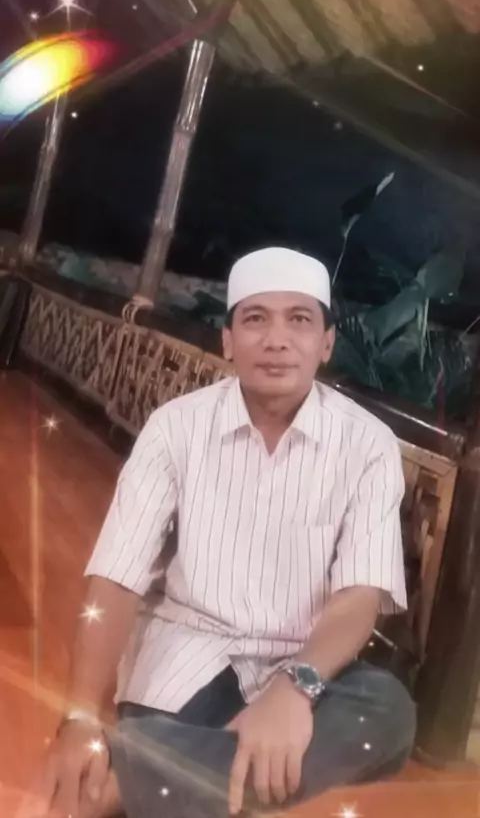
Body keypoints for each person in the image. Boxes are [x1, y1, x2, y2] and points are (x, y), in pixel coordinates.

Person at [31, 247, 415, 818]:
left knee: (387, 710)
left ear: (327, 343)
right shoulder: (175, 429)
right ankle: (188, 775)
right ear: (229, 340)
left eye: (299, 319)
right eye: (256, 319)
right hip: (187, 665)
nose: (277, 339)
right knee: (233, 750)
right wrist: (81, 716)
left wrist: (293, 689)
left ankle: (126, 784)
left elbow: (358, 597)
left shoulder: (368, 445)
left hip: (304, 668)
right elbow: (116, 578)